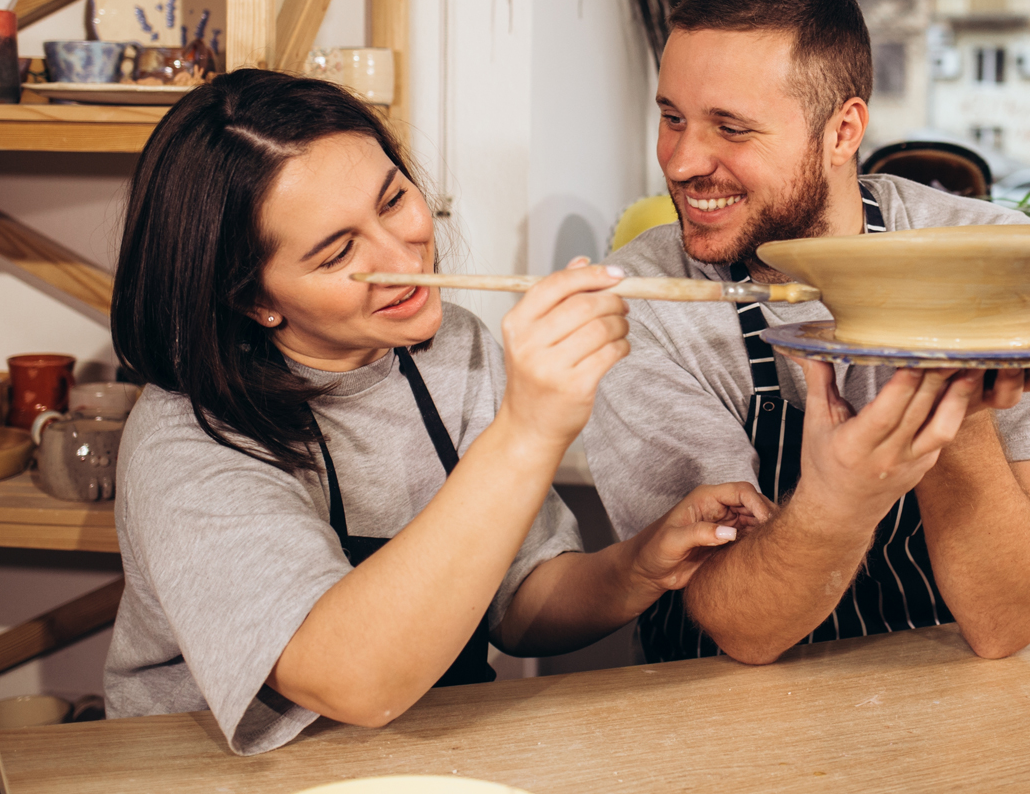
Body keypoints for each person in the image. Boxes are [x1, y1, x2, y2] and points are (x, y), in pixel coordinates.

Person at [103, 70, 769, 754]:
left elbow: (519, 602)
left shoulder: (452, 348)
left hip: (428, 754)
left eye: (393, 200)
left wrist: (639, 566)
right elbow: (351, 679)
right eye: (338, 253)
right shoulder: (188, 439)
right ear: (254, 300)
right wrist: (529, 431)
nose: (401, 256)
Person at [585, 0, 1030, 665]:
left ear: (842, 132)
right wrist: (839, 501)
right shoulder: (643, 300)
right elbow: (739, 625)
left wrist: (955, 399)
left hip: (937, 702)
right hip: (714, 723)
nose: (681, 163)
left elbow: (1006, 623)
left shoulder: (1004, 267)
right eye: (672, 118)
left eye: (731, 128)